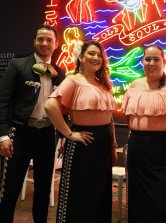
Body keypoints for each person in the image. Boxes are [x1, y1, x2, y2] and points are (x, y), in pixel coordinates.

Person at [0, 25, 65, 223]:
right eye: (41, 39)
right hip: (21, 135)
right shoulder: (18, 65)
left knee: (43, 191)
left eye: (49, 40)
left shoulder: (60, 72)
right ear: (34, 42)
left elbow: (64, 108)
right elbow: (2, 102)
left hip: (47, 136)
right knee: (10, 190)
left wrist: (65, 135)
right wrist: (2, 136)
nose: (45, 43)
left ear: (56, 44)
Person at [44, 40, 118, 223]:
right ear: (81, 57)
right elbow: (50, 105)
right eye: (91, 54)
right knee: (79, 194)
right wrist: (69, 134)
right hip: (82, 145)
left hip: (103, 146)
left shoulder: (104, 84)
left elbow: (109, 119)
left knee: (99, 193)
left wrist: (113, 146)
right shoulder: (73, 81)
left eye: (100, 55)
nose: (96, 58)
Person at [121, 44, 166, 223]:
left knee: (163, 204)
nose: (151, 63)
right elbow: (128, 117)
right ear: (142, 61)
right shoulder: (135, 85)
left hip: (164, 151)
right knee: (137, 202)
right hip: (137, 150)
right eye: (147, 59)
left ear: (164, 62)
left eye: (156, 59)